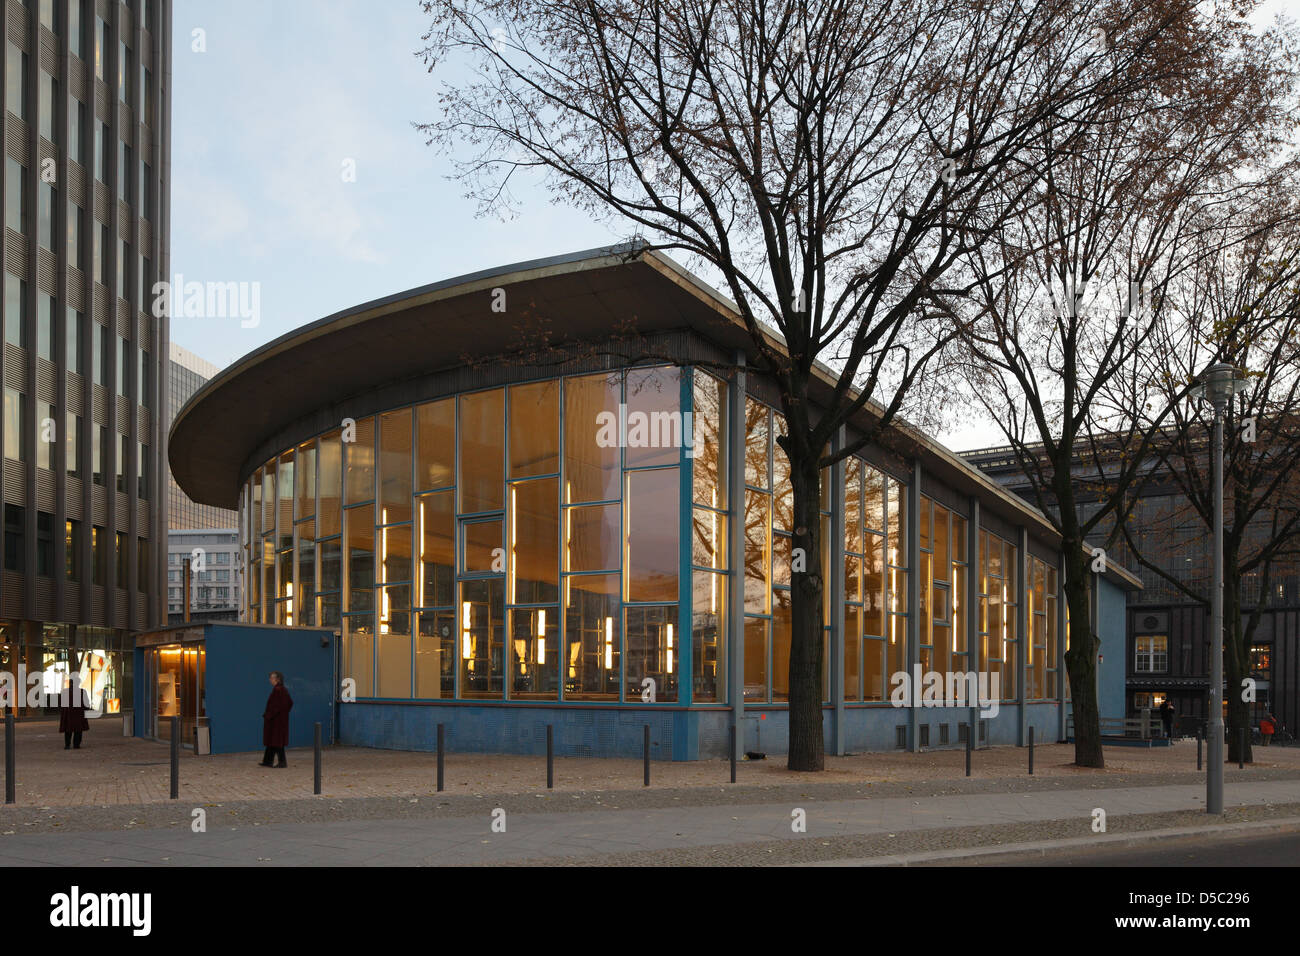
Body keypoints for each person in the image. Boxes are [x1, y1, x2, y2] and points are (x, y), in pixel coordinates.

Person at [260, 671, 293, 768]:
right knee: (273, 741)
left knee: (276, 741)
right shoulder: (281, 690)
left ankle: (281, 762)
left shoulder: (279, 690)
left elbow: (277, 706)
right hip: (277, 720)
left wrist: (269, 715)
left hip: (276, 721)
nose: (270, 680)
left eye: (271, 678)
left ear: (277, 679)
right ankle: (267, 761)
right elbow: (289, 703)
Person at [58, 676, 89, 750]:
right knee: (78, 729)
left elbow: (60, 703)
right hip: (79, 714)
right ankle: (76, 744)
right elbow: (86, 703)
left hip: (68, 713)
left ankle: (67, 745)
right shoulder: (82, 691)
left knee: (68, 729)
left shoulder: (64, 692)